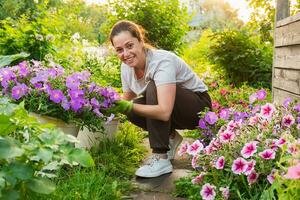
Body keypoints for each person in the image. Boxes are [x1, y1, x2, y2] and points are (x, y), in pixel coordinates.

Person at [109, 20, 212, 178]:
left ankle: (160, 157)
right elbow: (127, 100)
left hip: (198, 109)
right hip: (174, 109)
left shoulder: (161, 61)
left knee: (152, 87)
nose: (126, 54)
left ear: (141, 41)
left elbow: (164, 112)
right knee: (132, 110)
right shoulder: (126, 68)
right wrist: (104, 104)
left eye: (129, 46)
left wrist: (126, 105)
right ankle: (170, 137)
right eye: (119, 50)